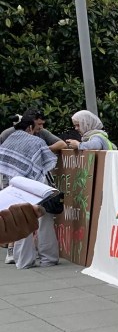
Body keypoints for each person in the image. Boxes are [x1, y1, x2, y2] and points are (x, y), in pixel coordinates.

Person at [0, 113, 58, 269]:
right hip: (34, 186)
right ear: (30, 127)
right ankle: (48, 258)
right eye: (38, 126)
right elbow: (47, 163)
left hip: (13, 187)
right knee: (42, 221)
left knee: (21, 222)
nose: (40, 129)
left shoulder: (8, 140)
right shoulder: (37, 142)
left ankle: (23, 261)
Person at [0, 111, 67, 153]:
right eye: (39, 124)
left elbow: (62, 144)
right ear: (30, 124)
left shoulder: (42, 131)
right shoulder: (8, 133)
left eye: (42, 124)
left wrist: (43, 150)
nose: (42, 127)